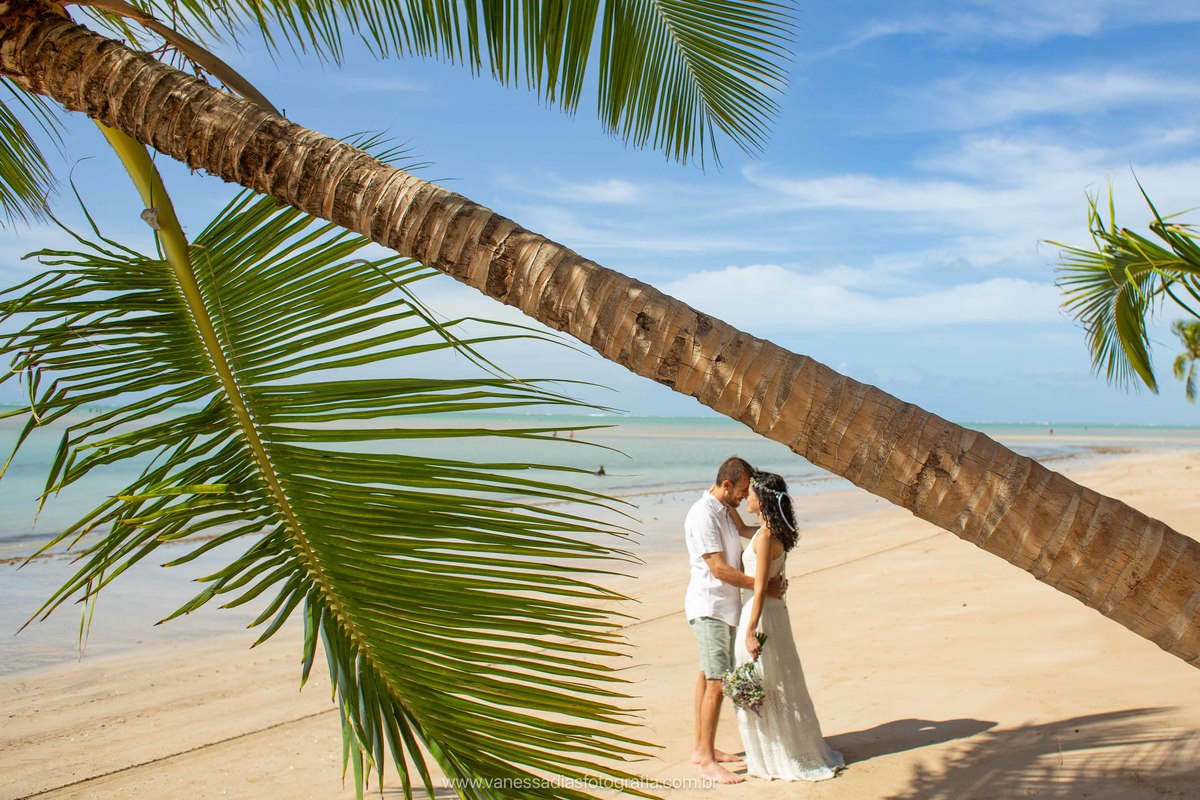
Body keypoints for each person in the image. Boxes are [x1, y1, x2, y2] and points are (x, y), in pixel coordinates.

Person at [735, 471, 845, 781]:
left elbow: (759, 587)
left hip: (760, 613)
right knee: (775, 678)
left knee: (765, 681)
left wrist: (750, 631)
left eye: (750, 493)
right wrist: (719, 499)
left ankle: (776, 755)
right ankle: (782, 748)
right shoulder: (773, 532)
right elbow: (742, 529)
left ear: (762, 499)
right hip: (774, 612)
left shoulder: (766, 537)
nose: (746, 496)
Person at [684, 456, 784, 784]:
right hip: (710, 607)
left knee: (706, 676)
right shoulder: (702, 514)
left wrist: (778, 532)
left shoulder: (725, 508)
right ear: (726, 485)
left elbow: (747, 534)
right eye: (742, 490)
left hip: (727, 608)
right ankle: (707, 763)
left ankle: (702, 749)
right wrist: (762, 586)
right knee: (717, 682)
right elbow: (719, 569)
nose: (745, 496)